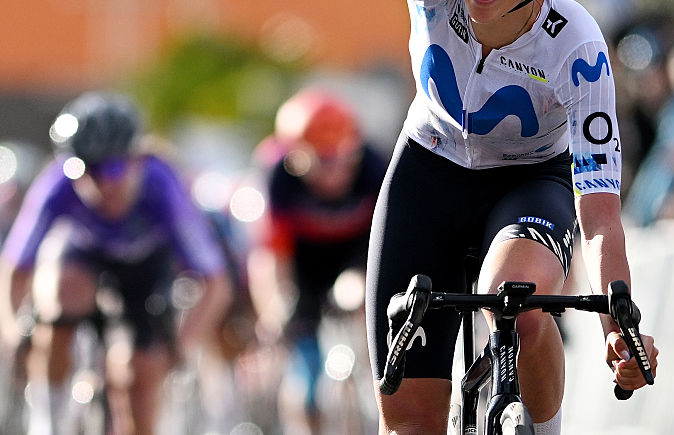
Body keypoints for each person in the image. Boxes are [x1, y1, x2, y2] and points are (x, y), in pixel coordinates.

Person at [341, 0, 658, 435]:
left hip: (527, 181)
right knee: (407, 424)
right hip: (430, 167)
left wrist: (617, 326)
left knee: (521, 298)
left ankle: (542, 426)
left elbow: (599, 214)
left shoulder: (578, 46)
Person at [0, 91, 232, 435]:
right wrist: (14, 333)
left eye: (113, 167)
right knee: (59, 294)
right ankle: (48, 419)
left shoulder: (162, 185)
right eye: (83, 168)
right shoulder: (57, 183)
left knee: (138, 378)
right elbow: (16, 268)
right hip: (82, 258)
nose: (101, 183)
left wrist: (179, 348)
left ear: (137, 159)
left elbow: (216, 283)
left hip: (145, 270)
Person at [246, 86, 387, 434]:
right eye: (324, 160)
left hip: (356, 256)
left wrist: (368, 286)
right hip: (303, 265)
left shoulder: (373, 166)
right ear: (296, 157)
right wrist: (273, 310)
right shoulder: (277, 177)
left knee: (360, 299)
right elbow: (270, 256)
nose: (337, 171)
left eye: (345, 157)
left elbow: (390, 242)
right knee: (305, 378)